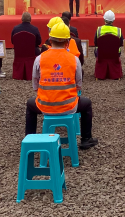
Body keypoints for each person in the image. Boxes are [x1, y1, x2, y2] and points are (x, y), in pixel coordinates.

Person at [25, 21, 98, 149]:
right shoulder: (74, 59)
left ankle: (30, 139)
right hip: (68, 105)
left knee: (30, 106)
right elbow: (79, 84)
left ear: (50, 40)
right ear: (67, 41)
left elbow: (35, 84)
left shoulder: (40, 58)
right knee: (87, 104)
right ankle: (86, 139)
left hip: (44, 105)